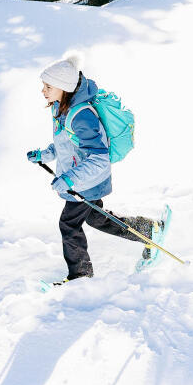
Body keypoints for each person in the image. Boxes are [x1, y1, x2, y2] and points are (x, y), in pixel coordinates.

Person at [26, 58, 158, 282]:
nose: (43, 91)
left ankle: (80, 276)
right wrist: (44, 155)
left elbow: (100, 158)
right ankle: (148, 229)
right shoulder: (62, 108)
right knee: (97, 219)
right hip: (84, 180)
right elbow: (67, 144)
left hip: (85, 182)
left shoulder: (82, 116)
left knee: (69, 224)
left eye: (48, 86)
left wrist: (69, 179)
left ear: (64, 88)